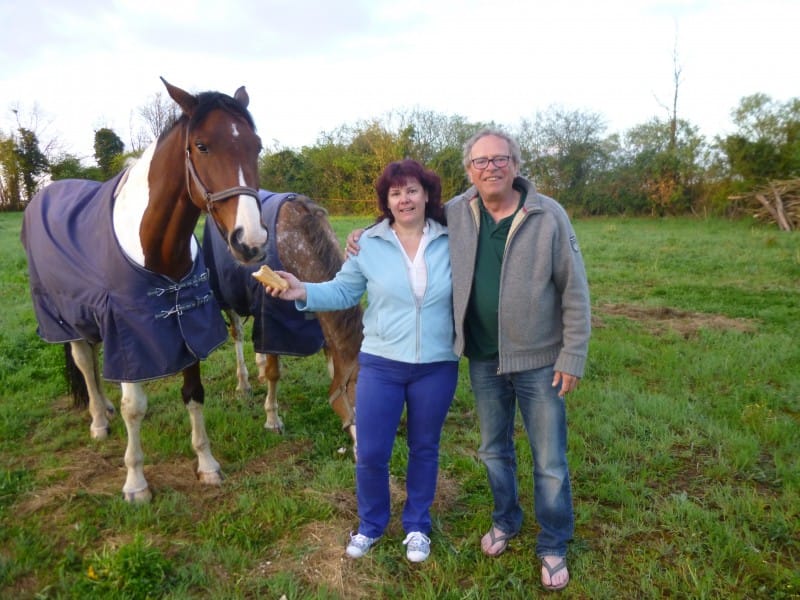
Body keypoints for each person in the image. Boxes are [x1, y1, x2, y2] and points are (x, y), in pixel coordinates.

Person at [347, 129, 591, 591]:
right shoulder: (458, 212)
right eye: (480, 162)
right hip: (482, 358)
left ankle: (554, 541)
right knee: (494, 450)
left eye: (500, 159)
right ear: (469, 172)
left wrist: (572, 353)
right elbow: (404, 217)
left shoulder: (548, 214)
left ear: (516, 165)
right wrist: (363, 235)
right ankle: (506, 520)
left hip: (539, 359)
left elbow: (574, 290)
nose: (491, 168)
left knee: (549, 458)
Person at [264, 159, 459, 563]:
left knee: (425, 447)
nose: (404, 199)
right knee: (371, 451)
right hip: (383, 365)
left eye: (412, 190)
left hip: (437, 366)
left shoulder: (453, 239)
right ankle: (371, 525)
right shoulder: (368, 242)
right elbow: (343, 292)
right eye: (395, 192)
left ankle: (417, 525)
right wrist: (304, 292)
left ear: (427, 194)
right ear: (386, 201)